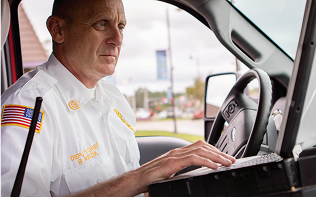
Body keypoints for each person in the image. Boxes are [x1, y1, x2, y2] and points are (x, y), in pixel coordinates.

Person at [0, 0, 236, 196]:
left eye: (121, 26)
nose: (118, 39)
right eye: (101, 24)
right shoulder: (29, 105)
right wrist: (139, 178)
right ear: (58, 30)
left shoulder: (113, 98)